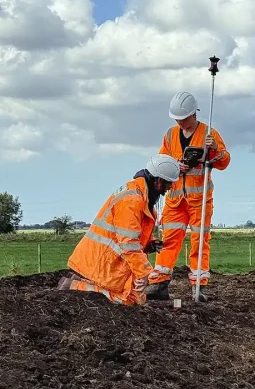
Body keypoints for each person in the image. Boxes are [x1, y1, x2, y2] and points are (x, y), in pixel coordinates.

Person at [58, 155, 181, 305]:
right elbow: (129, 243)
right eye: (168, 183)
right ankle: (74, 286)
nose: (169, 188)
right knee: (127, 301)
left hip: (109, 261)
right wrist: (144, 273)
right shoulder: (132, 201)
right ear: (158, 180)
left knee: (136, 299)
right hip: (103, 261)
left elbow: (133, 233)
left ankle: (79, 283)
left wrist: (150, 243)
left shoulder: (141, 198)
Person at [144, 91, 231, 303]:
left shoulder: (209, 134)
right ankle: (159, 285)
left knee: (200, 242)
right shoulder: (170, 135)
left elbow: (224, 162)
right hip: (174, 199)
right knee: (168, 242)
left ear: (194, 114)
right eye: (177, 119)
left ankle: (198, 287)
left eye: (183, 118)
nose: (180, 123)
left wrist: (214, 150)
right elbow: (161, 161)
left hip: (199, 201)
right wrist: (176, 165)